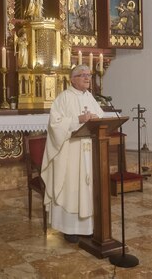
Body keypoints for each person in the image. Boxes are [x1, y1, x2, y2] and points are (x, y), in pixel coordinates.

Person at [41, 64, 103, 243]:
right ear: (72, 78)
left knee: (87, 187)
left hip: (89, 151)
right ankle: (69, 228)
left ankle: (88, 227)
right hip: (70, 152)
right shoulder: (63, 98)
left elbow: (99, 116)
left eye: (89, 75)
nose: (87, 78)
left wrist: (97, 119)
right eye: (83, 75)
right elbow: (55, 124)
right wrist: (78, 119)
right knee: (71, 188)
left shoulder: (90, 97)